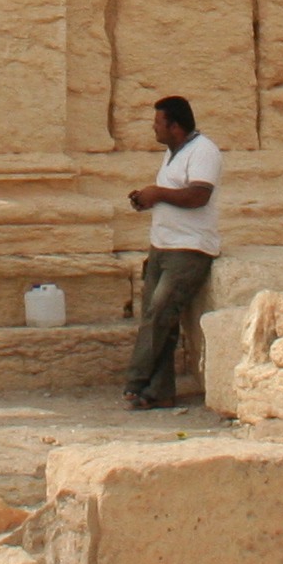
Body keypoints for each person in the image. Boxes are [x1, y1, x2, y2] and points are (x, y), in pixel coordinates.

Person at [121, 95, 221, 410]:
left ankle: (136, 381)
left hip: (188, 248)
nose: (154, 128)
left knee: (160, 312)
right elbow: (175, 193)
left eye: (157, 123)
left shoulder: (204, 151)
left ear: (174, 126)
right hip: (162, 244)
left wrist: (158, 192)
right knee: (158, 318)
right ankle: (159, 391)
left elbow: (198, 196)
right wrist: (147, 198)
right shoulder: (172, 153)